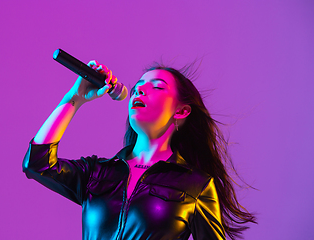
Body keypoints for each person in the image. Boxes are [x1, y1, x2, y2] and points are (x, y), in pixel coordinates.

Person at [23, 60, 256, 240]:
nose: (139, 91)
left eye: (157, 87)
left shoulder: (196, 185)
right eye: (137, 88)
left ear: (181, 111)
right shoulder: (98, 172)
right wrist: (75, 97)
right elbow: (37, 164)